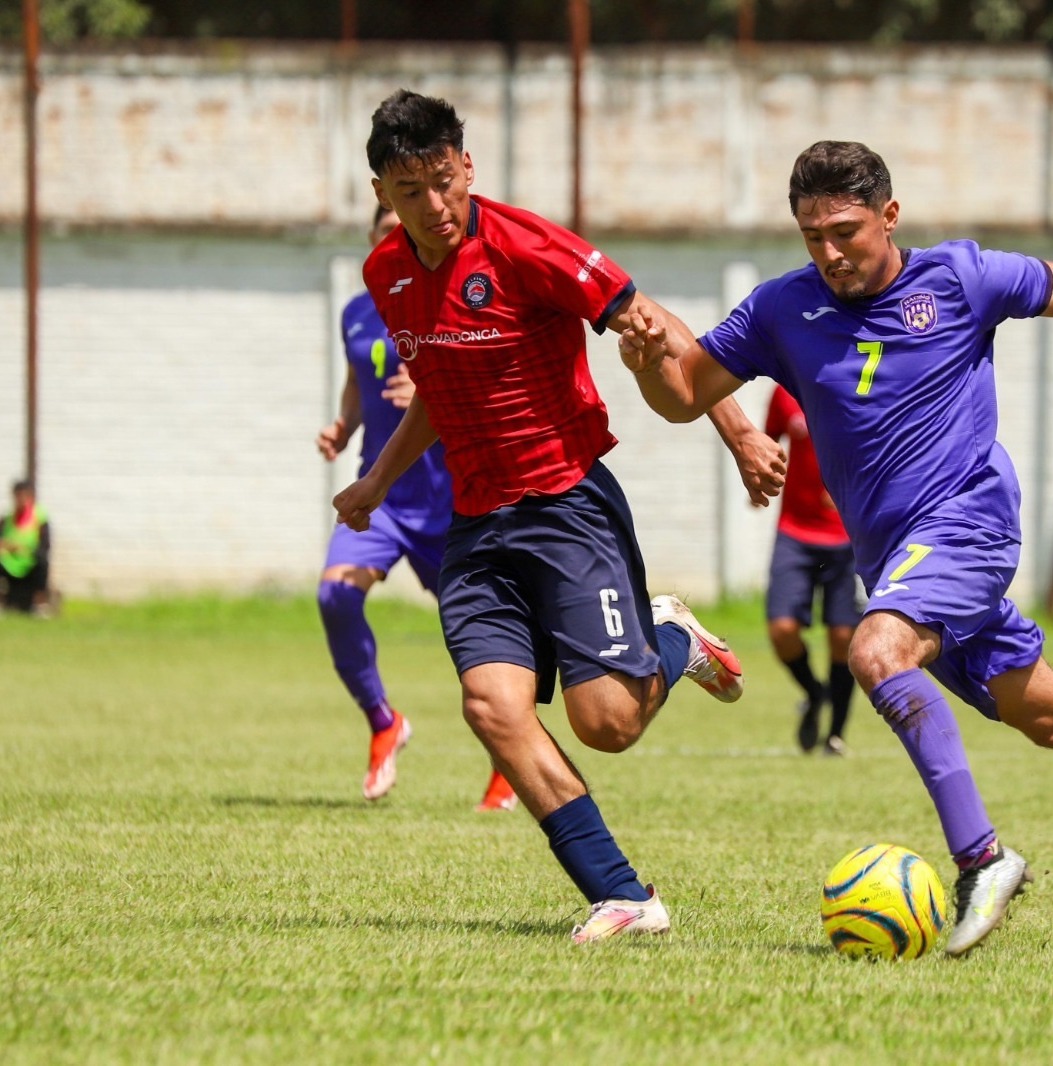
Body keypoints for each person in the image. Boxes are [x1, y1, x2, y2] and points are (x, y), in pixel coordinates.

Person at [619, 140, 1053, 957]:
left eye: (846, 230)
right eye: (811, 235)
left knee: (876, 647)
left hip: (967, 527)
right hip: (896, 559)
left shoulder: (963, 279)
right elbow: (686, 397)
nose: (829, 252)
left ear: (890, 216)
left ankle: (983, 860)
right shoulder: (779, 310)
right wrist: (647, 364)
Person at [332, 90, 783, 943]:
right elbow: (437, 380)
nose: (431, 206)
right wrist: (379, 482)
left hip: (567, 504)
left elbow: (655, 326)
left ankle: (672, 635)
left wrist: (737, 430)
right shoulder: (384, 274)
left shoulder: (527, 245)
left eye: (440, 180)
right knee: (492, 707)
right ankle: (621, 895)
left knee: (606, 724)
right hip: (476, 522)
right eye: (406, 190)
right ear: (382, 194)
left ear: (465, 164)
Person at [316, 203, 517, 812]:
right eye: (382, 237)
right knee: (334, 594)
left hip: (448, 501)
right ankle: (383, 720)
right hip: (380, 498)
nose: (392, 249)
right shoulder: (357, 311)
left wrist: (430, 393)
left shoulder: (447, 305)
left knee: (483, 640)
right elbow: (357, 378)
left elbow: (485, 384)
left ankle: (511, 761)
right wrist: (344, 425)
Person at [762, 384, 859, 755]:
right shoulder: (785, 390)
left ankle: (835, 735)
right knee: (782, 630)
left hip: (846, 534)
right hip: (795, 533)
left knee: (842, 637)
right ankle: (815, 693)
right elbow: (766, 440)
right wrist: (759, 475)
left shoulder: (859, 384)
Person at [0, 479, 52, 615]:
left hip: (29, 561)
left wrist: (23, 548)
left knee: (42, 559)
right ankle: (0, 601)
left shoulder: (39, 518)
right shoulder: (6, 518)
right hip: (9, 561)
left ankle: (39, 603)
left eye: (24, 496)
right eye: (17, 496)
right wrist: (5, 546)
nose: (20, 500)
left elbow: (45, 544)